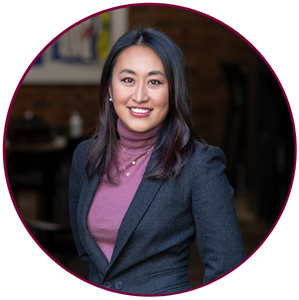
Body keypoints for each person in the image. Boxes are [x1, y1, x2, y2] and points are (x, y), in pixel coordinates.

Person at [69, 28, 245, 295]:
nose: (139, 96)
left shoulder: (199, 165)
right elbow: (88, 256)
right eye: (128, 80)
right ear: (109, 89)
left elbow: (228, 271)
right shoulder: (86, 156)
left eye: (154, 82)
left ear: (173, 91)